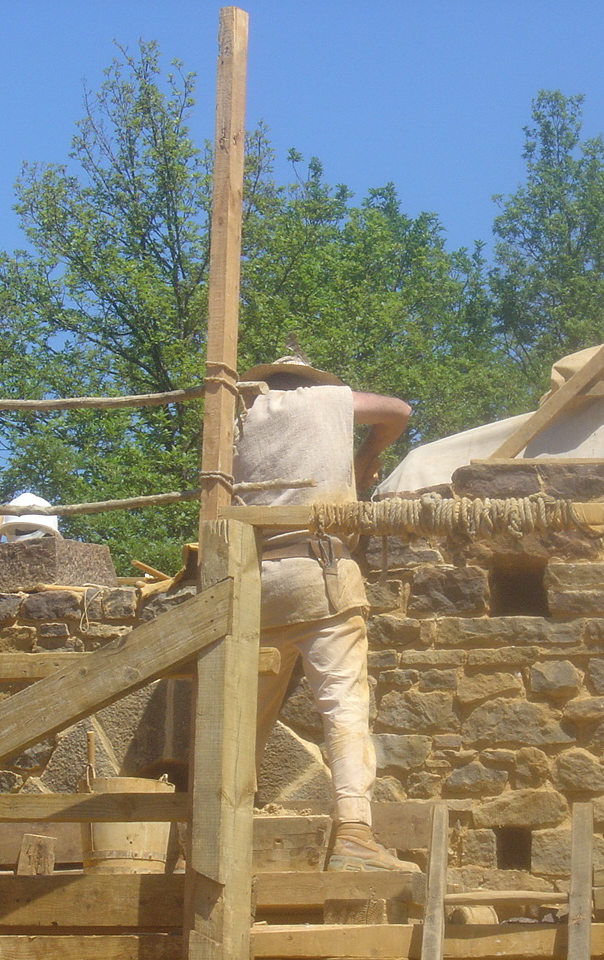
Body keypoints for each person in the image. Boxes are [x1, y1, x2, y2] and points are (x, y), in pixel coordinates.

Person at [234, 352, 414, 872]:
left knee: (243, 721)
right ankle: (355, 834)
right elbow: (398, 411)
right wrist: (367, 452)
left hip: (256, 581)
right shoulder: (327, 400)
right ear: (308, 383)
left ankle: (217, 835)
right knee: (343, 707)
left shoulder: (239, 416)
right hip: (321, 572)